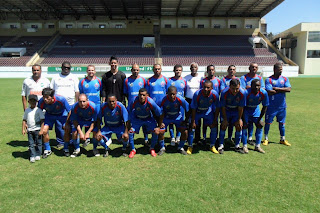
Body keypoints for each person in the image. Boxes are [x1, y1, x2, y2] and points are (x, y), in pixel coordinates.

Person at [50, 61, 79, 148]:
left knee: (70, 122)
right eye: (65, 67)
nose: (66, 69)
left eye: (68, 68)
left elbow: (77, 91)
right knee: (59, 123)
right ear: (61, 67)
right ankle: (60, 141)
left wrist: (76, 103)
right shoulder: (55, 77)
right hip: (58, 105)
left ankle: (71, 140)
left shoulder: (74, 77)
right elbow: (51, 91)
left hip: (70, 104)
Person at [127, 88, 163, 158]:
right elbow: (128, 111)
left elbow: (160, 113)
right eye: (140, 95)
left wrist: (158, 126)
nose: (142, 97)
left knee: (155, 131)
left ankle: (152, 148)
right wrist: (128, 125)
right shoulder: (134, 100)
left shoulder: (150, 102)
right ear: (138, 95)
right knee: (131, 132)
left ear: (147, 95)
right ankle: (133, 150)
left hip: (148, 119)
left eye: (143, 95)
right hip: (137, 119)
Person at [187, 81, 220, 155]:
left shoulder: (215, 94)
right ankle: (190, 146)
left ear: (211, 88)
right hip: (197, 112)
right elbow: (193, 108)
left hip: (208, 112)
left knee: (214, 127)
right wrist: (193, 121)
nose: (205, 89)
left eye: (208, 87)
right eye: (204, 87)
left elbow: (218, 107)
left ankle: (212, 146)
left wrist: (215, 119)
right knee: (192, 128)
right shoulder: (197, 94)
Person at [263, 63, 291, 146]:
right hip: (271, 106)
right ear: (275, 70)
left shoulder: (285, 79)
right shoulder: (269, 80)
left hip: (282, 106)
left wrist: (277, 89)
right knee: (268, 123)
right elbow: (269, 92)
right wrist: (282, 90)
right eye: (279, 69)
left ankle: (282, 139)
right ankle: (266, 138)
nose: (281, 71)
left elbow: (289, 89)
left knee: (282, 123)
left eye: (281, 69)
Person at [38, 88, 71, 158]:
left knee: (66, 129)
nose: (45, 99)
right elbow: (38, 112)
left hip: (62, 115)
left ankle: (65, 148)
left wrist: (67, 123)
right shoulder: (41, 101)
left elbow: (70, 111)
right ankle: (47, 149)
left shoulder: (61, 99)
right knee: (44, 130)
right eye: (44, 97)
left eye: (47, 97)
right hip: (49, 115)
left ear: (52, 97)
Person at [218, 79, 246, 154]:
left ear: (239, 87)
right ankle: (221, 145)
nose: (235, 91)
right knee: (223, 125)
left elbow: (241, 107)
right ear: (229, 86)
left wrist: (239, 119)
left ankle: (237, 146)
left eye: (237, 88)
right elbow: (223, 107)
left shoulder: (243, 93)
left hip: (236, 111)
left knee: (238, 126)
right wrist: (225, 119)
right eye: (233, 88)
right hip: (226, 110)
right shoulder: (224, 92)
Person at [159, 86, 189, 155]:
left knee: (185, 132)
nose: (172, 96)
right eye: (170, 94)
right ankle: (162, 147)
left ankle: (180, 147)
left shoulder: (180, 99)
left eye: (174, 94)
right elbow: (158, 111)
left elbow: (188, 109)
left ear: (176, 93)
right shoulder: (163, 99)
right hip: (167, 117)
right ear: (167, 93)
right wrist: (160, 122)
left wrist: (186, 120)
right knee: (160, 131)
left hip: (177, 117)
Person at [240, 62, 265, 144]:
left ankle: (250, 139)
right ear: (249, 68)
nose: (254, 68)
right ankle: (244, 143)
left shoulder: (260, 78)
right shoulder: (244, 77)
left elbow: (262, 89)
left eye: (255, 67)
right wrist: (252, 88)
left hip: (255, 106)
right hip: (246, 106)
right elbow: (242, 90)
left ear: (257, 69)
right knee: (245, 124)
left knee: (257, 124)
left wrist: (249, 87)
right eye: (252, 67)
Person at [123, 64, 148, 145]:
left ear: (139, 70)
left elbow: (146, 93)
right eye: (134, 70)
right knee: (131, 123)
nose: (135, 71)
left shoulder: (143, 80)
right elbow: (126, 93)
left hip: (142, 106)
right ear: (131, 70)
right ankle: (131, 141)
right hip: (131, 107)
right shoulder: (127, 80)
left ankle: (146, 139)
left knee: (144, 123)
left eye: (137, 70)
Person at [242, 79, 269, 153]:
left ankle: (257, 146)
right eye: (255, 86)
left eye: (258, 86)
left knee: (260, 125)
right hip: (246, 110)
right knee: (244, 126)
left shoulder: (263, 93)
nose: (257, 87)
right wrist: (243, 118)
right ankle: (244, 146)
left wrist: (260, 119)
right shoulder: (246, 93)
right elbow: (242, 106)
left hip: (256, 110)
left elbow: (265, 106)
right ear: (251, 86)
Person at [78, 65, 102, 147]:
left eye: (92, 70)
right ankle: (87, 139)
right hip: (86, 105)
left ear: (95, 71)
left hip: (97, 104)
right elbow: (81, 93)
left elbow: (101, 92)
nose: (91, 72)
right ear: (87, 71)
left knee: (98, 121)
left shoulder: (99, 81)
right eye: (89, 70)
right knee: (87, 120)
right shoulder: (82, 81)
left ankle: (97, 138)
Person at [199, 65, 221, 142]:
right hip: (206, 103)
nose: (211, 71)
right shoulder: (203, 81)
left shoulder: (218, 80)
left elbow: (220, 91)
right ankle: (204, 137)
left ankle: (215, 138)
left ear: (214, 71)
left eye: (212, 70)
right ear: (207, 71)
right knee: (205, 121)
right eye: (209, 70)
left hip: (215, 104)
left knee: (215, 120)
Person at [167, 64, 187, 146]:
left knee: (180, 121)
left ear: (181, 71)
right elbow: (167, 92)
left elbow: (185, 92)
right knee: (171, 122)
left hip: (180, 105)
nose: (178, 72)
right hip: (171, 104)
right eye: (176, 70)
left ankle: (178, 137)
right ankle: (172, 137)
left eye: (179, 70)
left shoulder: (184, 81)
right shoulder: (169, 80)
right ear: (174, 71)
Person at [22, 94, 45, 163]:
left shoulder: (38, 110)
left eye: (34, 101)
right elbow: (24, 120)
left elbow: (42, 120)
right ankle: (32, 155)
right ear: (28, 101)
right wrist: (23, 129)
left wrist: (41, 130)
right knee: (31, 144)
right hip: (30, 130)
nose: (33, 102)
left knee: (39, 143)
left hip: (37, 129)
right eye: (31, 101)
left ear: (37, 101)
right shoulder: (27, 110)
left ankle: (38, 154)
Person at [220, 65, 239, 142]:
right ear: (228, 70)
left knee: (233, 123)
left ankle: (230, 137)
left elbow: (241, 89)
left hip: (235, 104)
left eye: (233, 69)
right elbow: (222, 90)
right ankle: (221, 142)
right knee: (224, 123)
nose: (232, 71)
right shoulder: (224, 79)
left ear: (235, 71)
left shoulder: (238, 79)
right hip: (226, 103)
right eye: (230, 69)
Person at [184, 62, 202, 144]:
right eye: (192, 67)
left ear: (197, 68)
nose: (193, 69)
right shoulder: (186, 78)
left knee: (197, 120)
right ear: (190, 69)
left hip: (198, 101)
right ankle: (187, 137)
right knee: (188, 119)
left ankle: (197, 138)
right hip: (188, 100)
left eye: (195, 67)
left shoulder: (201, 78)